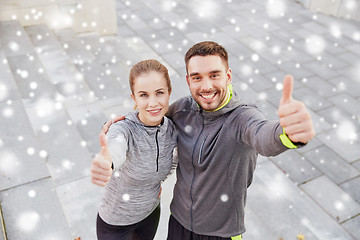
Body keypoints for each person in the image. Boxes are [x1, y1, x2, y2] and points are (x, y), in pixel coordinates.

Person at [100, 41, 315, 240]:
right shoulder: (182, 109)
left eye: (214, 75)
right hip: (179, 224)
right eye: (197, 77)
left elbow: (264, 136)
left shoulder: (243, 118)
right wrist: (122, 124)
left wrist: (287, 134)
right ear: (188, 80)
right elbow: (151, 116)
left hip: (221, 232)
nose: (206, 86)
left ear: (228, 76)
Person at [90, 59, 178, 240]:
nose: (153, 103)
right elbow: (117, 146)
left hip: (150, 214)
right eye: (144, 95)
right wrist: (108, 161)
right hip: (115, 223)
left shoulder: (173, 129)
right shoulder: (124, 129)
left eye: (159, 93)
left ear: (169, 92)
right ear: (134, 98)